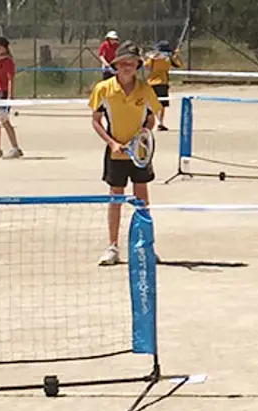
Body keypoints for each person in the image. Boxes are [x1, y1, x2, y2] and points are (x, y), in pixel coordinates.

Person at [91, 43, 160, 266]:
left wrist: (143, 135)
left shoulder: (145, 89)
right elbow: (96, 120)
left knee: (142, 200)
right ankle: (113, 246)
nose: (127, 67)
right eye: (123, 63)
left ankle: (145, 245)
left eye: (132, 63)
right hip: (116, 153)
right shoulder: (103, 89)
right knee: (116, 198)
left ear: (137, 65)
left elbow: (151, 119)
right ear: (116, 65)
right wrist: (112, 143)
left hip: (139, 154)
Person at [150, 40, 180, 131]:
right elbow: (178, 64)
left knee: (154, 104)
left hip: (153, 82)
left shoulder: (153, 57)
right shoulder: (168, 58)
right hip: (162, 83)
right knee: (161, 104)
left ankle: (158, 122)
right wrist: (175, 56)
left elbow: (146, 65)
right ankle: (160, 122)